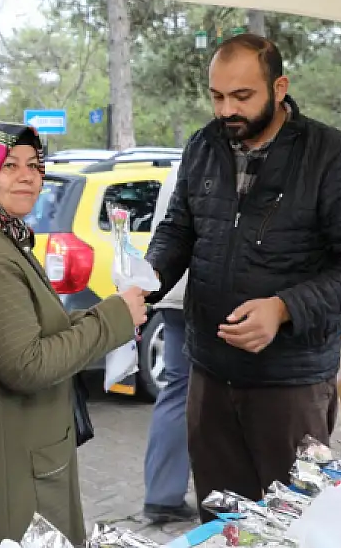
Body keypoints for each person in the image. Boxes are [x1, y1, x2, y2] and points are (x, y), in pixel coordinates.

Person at [145, 34, 341, 522]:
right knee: (222, 521)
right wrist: (148, 277)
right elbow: (178, 229)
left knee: (294, 521)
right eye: (216, 96)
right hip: (209, 372)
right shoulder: (203, 145)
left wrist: (282, 309)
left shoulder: (333, 155)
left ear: (279, 87)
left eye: (241, 96)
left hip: (291, 381)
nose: (226, 110)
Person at [0, 122, 148, 548]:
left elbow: (30, 330)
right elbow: (27, 364)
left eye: (35, 166)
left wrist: (106, 315)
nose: (27, 176)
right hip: (3, 474)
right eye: (10, 165)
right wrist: (113, 318)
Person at [141, 163, 195, 525]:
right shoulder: (216, 163)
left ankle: (162, 494)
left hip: (171, 295)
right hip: (202, 296)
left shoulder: (182, 164)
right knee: (198, 395)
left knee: (176, 390)